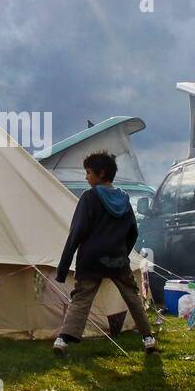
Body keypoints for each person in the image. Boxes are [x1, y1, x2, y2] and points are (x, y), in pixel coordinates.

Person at [53, 151, 157, 354]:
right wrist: (122, 253)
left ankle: (63, 340)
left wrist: (63, 268)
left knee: (82, 298)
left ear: (100, 173)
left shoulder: (89, 198)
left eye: (88, 172)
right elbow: (132, 232)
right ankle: (148, 338)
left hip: (91, 259)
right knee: (132, 296)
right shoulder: (124, 199)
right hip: (117, 259)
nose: (86, 177)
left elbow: (77, 232)